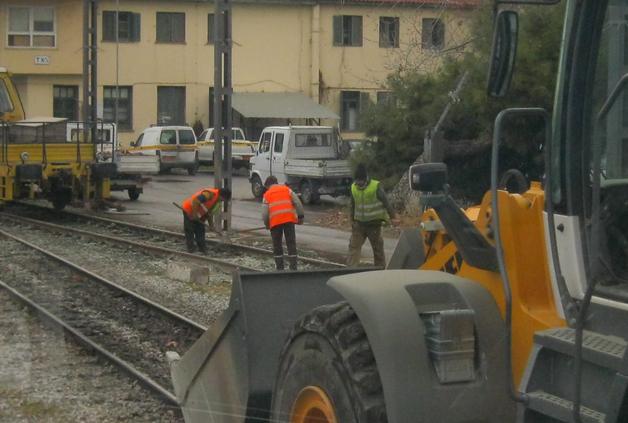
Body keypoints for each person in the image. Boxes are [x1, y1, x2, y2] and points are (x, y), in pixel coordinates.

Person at [348, 163, 399, 267]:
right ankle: (349, 271)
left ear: (365, 179)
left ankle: (379, 271)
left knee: (378, 250)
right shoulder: (353, 187)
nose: (358, 184)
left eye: (360, 181)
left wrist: (393, 217)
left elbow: (386, 203)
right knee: (353, 248)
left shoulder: (375, 186)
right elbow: (352, 205)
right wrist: (352, 221)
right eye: (357, 181)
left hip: (374, 226)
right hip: (359, 225)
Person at [262, 176, 304, 270]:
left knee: (277, 245)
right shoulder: (287, 190)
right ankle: (293, 267)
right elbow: (298, 203)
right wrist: (300, 217)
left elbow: (265, 214)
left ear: (268, 185)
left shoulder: (267, 194)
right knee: (291, 243)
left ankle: (280, 268)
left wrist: (267, 225)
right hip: (289, 220)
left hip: (275, 223)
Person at [181, 187, 231, 253]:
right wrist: (195, 215)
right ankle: (191, 249)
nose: (223, 201)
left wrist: (211, 225)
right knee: (190, 229)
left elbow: (209, 213)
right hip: (189, 209)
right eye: (223, 200)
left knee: (200, 229)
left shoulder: (217, 201)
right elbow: (195, 201)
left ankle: (202, 248)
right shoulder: (209, 194)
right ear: (222, 196)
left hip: (200, 214)